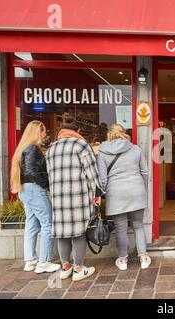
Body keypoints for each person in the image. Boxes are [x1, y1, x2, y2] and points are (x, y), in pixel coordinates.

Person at [46, 112, 103, 282]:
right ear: (77, 130)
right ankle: (78, 268)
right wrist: (97, 193)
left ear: (61, 131)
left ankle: (65, 267)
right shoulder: (81, 145)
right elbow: (91, 173)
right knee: (79, 231)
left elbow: (50, 175)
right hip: (78, 196)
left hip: (58, 197)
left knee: (62, 232)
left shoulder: (51, 149)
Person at [97, 124, 151, 271]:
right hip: (136, 190)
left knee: (120, 228)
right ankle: (144, 258)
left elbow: (102, 179)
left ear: (109, 135)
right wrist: (142, 187)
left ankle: (123, 259)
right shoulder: (135, 149)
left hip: (116, 193)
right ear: (123, 133)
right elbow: (145, 172)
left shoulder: (102, 152)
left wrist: (104, 193)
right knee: (138, 226)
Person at [11, 121, 61, 274]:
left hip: (25, 190)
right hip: (35, 189)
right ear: (37, 132)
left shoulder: (24, 148)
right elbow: (32, 172)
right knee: (48, 224)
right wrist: (46, 183)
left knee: (32, 225)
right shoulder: (32, 148)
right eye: (44, 131)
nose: (45, 134)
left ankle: (30, 260)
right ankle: (44, 262)